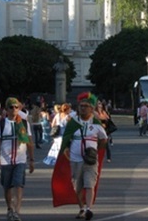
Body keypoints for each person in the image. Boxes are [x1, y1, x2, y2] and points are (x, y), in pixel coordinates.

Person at [52, 92, 108, 220]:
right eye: (81, 106)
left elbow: (104, 139)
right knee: (77, 186)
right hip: (75, 159)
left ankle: (88, 209)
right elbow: (66, 139)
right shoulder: (73, 123)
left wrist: (96, 150)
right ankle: (81, 208)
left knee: (89, 185)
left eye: (86, 106)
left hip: (90, 160)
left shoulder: (96, 123)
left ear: (91, 108)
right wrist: (65, 149)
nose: (82, 108)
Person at [0, 97, 34, 221]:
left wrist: (31, 160)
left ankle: (17, 211)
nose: (14, 109)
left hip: (20, 160)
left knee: (18, 184)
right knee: (7, 187)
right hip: (6, 160)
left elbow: (30, 143)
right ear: (6, 109)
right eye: (11, 107)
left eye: (16, 107)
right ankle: (9, 208)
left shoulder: (24, 123)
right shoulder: (2, 123)